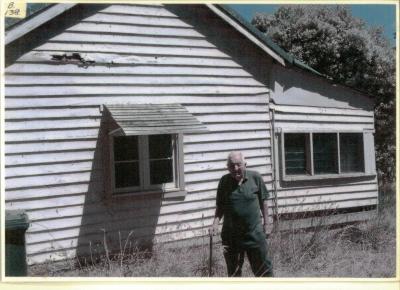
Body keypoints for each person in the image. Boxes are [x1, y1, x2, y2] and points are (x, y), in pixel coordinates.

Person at [209, 151, 273, 277]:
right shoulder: (224, 181)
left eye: (238, 165)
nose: (235, 168)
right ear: (227, 167)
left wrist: (267, 223)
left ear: (245, 164)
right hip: (231, 236)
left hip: (254, 234)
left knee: (264, 271)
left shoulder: (255, 177)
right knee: (234, 273)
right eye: (231, 166)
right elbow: (220, 205)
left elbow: (263, 202)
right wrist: (215, 224)